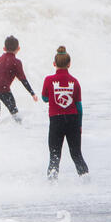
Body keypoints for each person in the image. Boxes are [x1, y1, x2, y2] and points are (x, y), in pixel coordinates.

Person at [41, 46, 89, 181]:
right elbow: (79, 107)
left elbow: (45, 98)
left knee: (55, 155)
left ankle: (51, 185)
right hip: (73, 120)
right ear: (69, 64)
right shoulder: (75, 81)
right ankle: (87, 183)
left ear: (54, 64)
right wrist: (79, 125)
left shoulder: (49, 80)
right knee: (76, 154)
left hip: (56, 121)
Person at [0, 35, 38, 124]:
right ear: (18, 48)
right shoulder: (16, 62)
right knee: (14, 112)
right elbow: (23, 80)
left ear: (4, 48)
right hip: (4, 89)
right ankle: (20, 128)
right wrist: (32, 93)